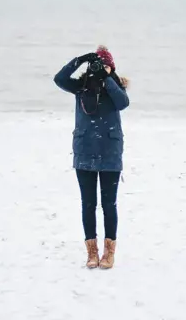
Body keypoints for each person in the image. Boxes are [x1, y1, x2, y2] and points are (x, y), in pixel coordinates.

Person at [54, 46, 130, 269]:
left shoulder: (116, 87)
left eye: (104, 64)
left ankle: (109, 253)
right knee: (88, 204)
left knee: (109, 204)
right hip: (85, 150)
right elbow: (59, 79)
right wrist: (80, 60)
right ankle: (92, 252)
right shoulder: (81, 87)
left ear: (111, 67)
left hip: (110, 151)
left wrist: (107, 77)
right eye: (95, 64)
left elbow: (123, 103)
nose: (98, 69)